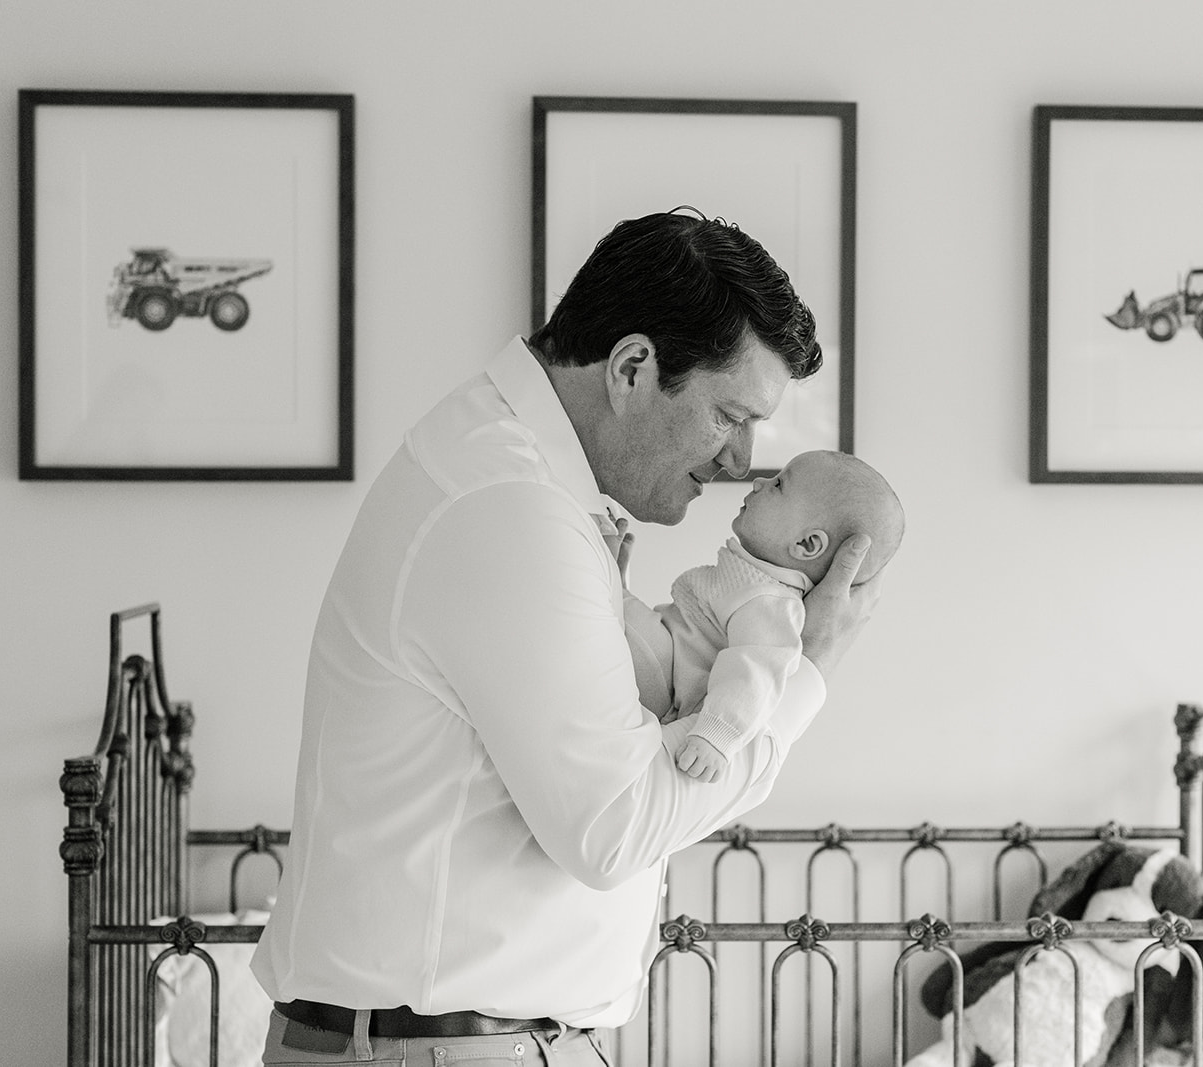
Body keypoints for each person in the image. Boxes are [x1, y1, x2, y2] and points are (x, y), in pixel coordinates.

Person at [250, 209, 882, 1066]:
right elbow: (615, 827)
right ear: (631, 367)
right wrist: (806, 675)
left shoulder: (521, 483)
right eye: (730, 416)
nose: (741, 462)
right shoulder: (509, 507)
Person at [625, 449, 903, 784]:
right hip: (662, 653)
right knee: (614, 615)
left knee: (611, 616)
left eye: (778, 485)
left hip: (666, 680)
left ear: (807, 543)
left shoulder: (771, 601)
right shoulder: (758, 584)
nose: (758, 482)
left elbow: (757, 669)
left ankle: (611, 581)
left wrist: (716, 735)